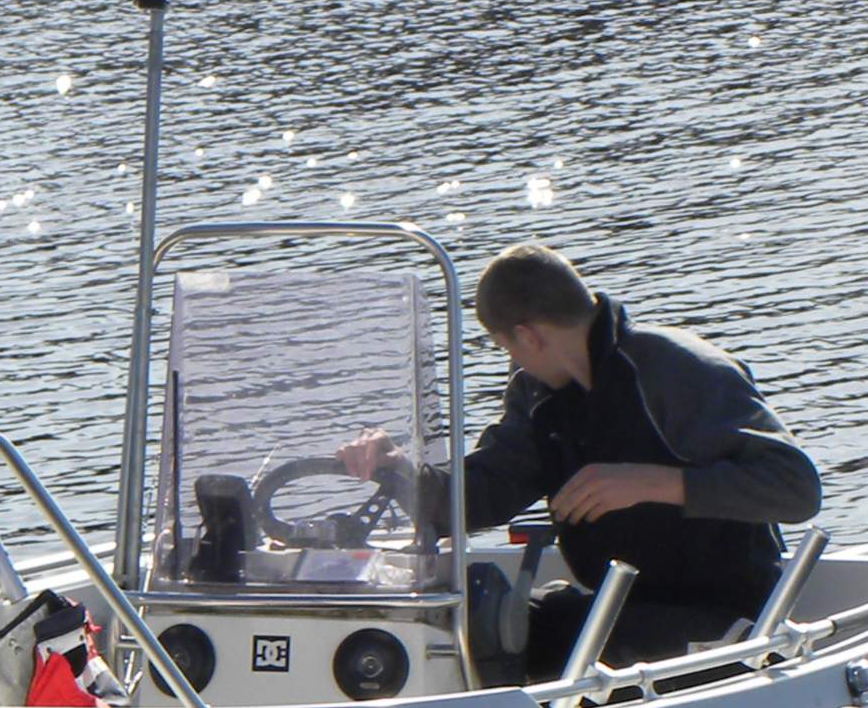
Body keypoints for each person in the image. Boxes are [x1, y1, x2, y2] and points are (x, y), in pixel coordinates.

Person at [337, 244, 822, 676]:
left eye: (506, 347)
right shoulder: (539, 396)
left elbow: (797, 488)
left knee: (561, 648)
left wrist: (652, 482)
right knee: (477, 619)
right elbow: (480, 496)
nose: (513, 362)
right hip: (621, 607)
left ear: (528, 336)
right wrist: (397, 467)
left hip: (726, 613)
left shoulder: (679, 371)